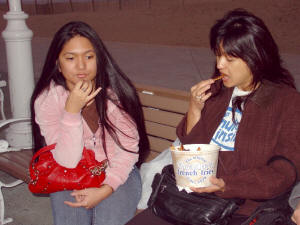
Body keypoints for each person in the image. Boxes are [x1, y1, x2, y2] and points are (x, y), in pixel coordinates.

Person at [126, 8, 300, 225]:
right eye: (218, 54)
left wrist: (226, 184)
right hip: (193, 198)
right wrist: (195, 109)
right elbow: (192, 151)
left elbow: (283, 172)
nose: (219, 64)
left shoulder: (286, 101)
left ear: (256, 56)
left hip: (242, 209)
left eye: (230, 58)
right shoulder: (218, 92)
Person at [30, 21, 149, 225]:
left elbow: (128, 151)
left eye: (89, 56)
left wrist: (106, 189)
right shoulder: (48, 100)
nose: (81, 66)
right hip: (69, 173)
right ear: (58, 63)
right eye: (70, 58)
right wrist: (72, 111)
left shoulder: (116, 96)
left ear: (99, 59)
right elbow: (66, 161)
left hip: (119, 171)